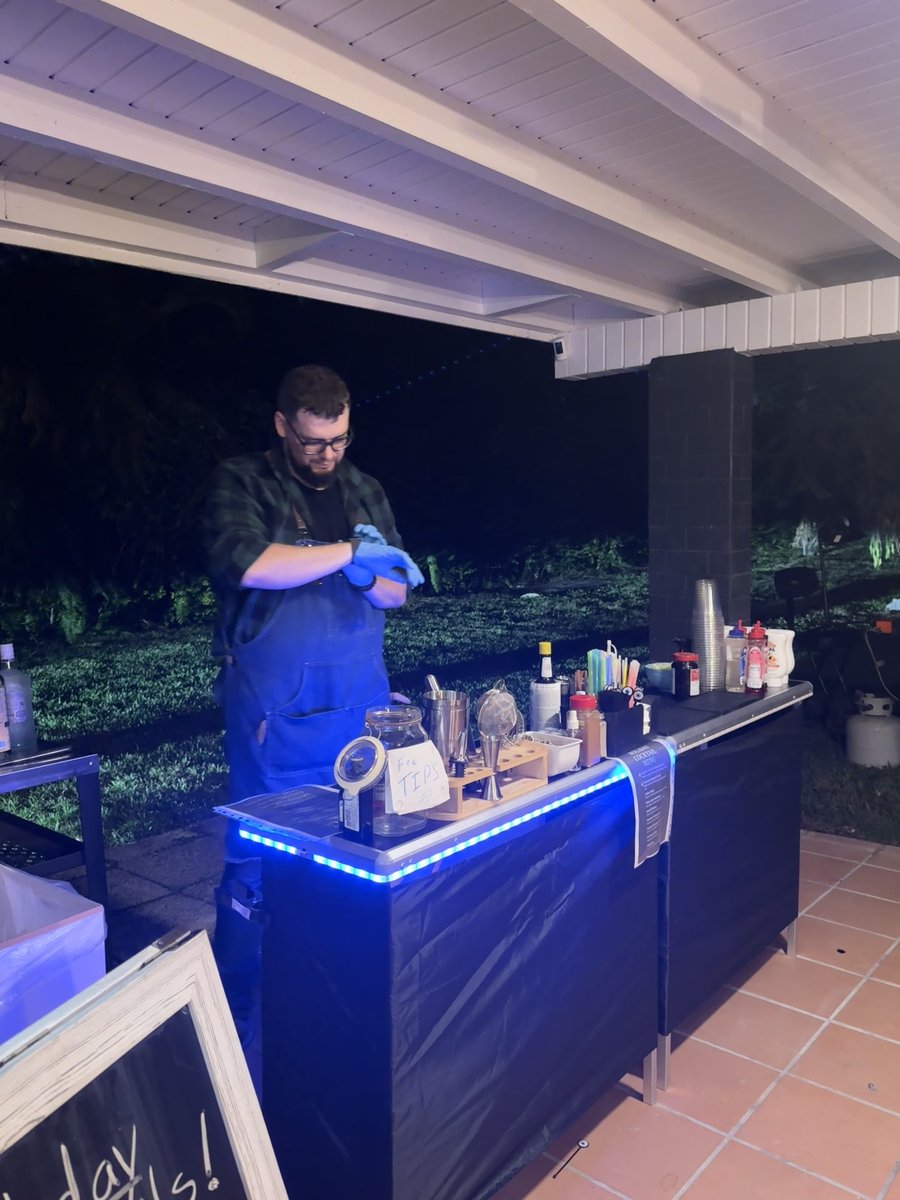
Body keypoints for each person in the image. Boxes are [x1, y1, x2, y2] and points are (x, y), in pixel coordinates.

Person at [204, 364, 424, 1042]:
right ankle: (234, 1008)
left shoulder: (365, 488)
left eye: (338, 441)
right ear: (282, 426)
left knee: (356, 845)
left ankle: (332, 989)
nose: (326, 456)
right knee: (258, 861)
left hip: (358, 706)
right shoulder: (243, 481)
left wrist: (373, 572)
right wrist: (345, 552)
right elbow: (249, 563)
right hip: (275, 712)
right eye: (311, 443)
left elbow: (397, 592)